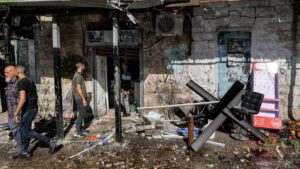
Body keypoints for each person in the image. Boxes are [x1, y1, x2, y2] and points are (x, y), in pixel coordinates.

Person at [14, 65, 57, 158]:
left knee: (26, 131)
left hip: (28, 109)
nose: (13, 72)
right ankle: (24, 151)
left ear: (18, 72)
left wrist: (16, 113)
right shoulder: (30, 81)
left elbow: (22, 99)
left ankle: (49, 141)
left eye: (14, 70)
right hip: (32, 108)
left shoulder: (21, 82)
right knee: (23, 130)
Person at [4, 65, 22, 153]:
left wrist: (17, 114)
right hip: (11, 111)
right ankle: (20, 145)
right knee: (14, 129)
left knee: (16, 129)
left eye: (6, 72)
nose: (5, 74)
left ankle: (21, 147)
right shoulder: (10, 82)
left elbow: (20, 100)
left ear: (12, 72)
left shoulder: (18, 83)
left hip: (16, 112)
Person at [72, 62, 89, 137]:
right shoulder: (78, 76)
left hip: (79, 98)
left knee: (82, 113)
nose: (84, 66)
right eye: (83, 65)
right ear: (81, 66)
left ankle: (80, 129)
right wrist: (83, 99)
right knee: (81, 114)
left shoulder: (78, 75)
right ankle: (78, 132)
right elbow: (78, 88)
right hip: (79, 98)